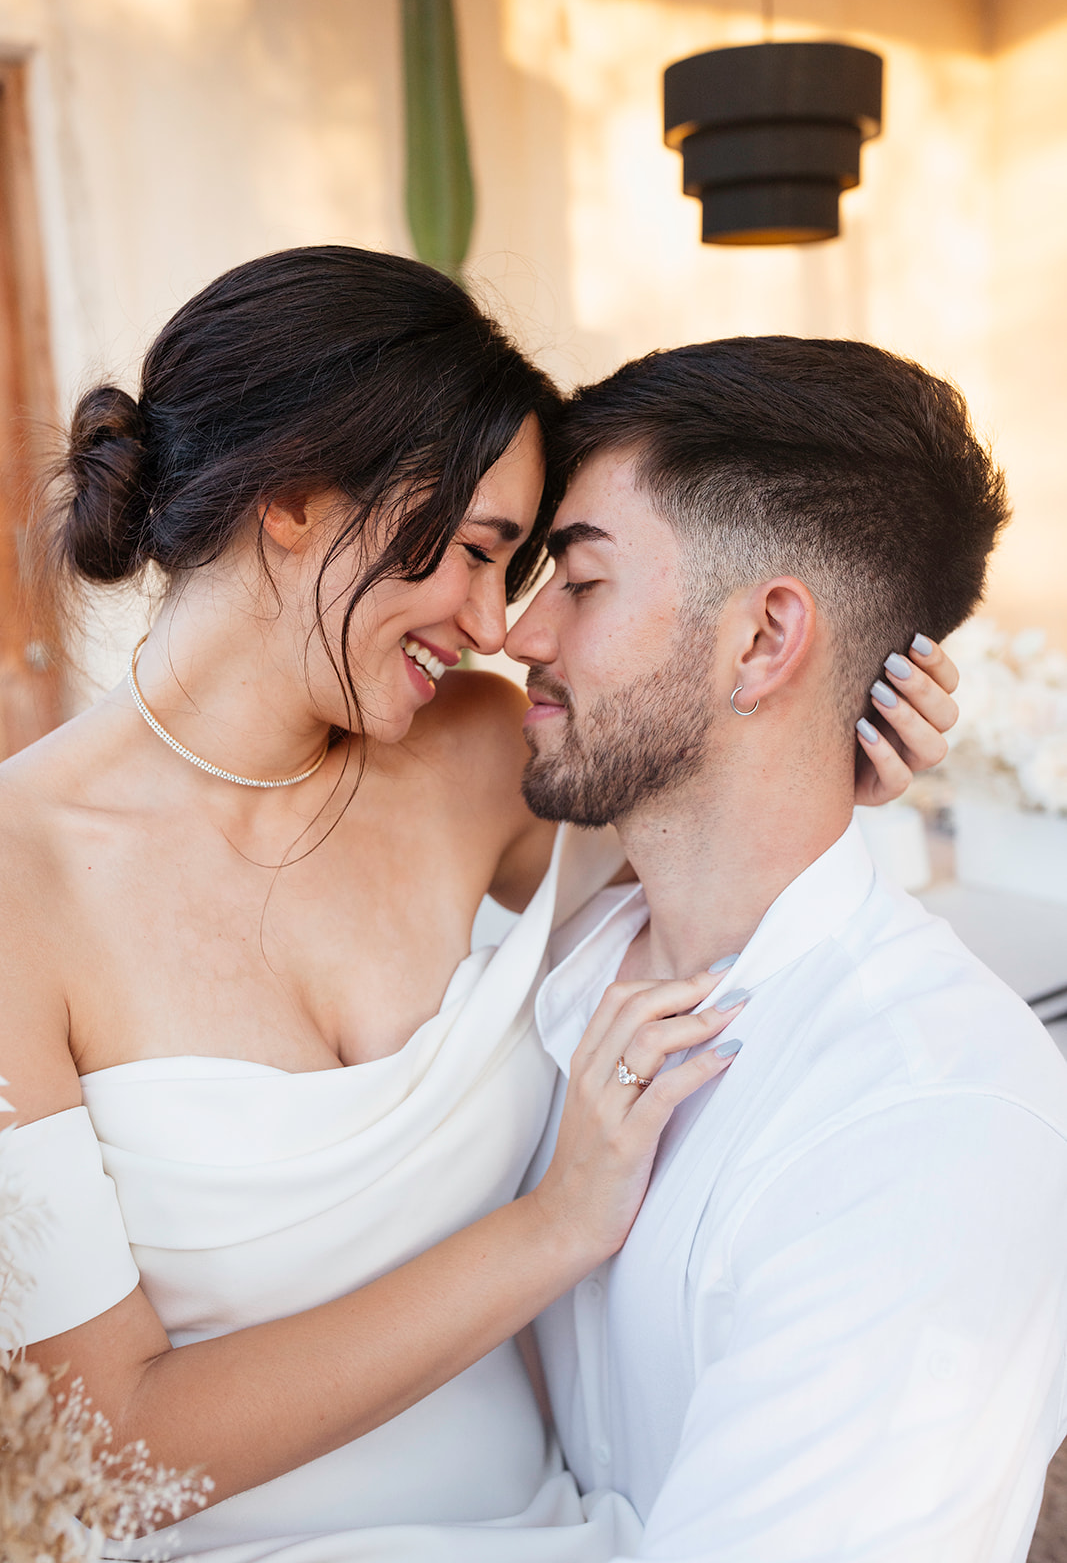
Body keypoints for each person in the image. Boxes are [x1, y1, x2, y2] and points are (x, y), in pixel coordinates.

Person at [0, 250, 956, 1563]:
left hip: (561, 1525)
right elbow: (99, 1452)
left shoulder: (472, 755)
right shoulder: (20, 885)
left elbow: (723, 865)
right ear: (292, 500)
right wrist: (553, 1224)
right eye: (471, 554)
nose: (493, 623)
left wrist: (827, 750)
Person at [503, 336, 1067, 1563]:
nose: (521, 634)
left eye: (581, 583)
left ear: (762, 641)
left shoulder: (929, 1118)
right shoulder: (547, 963)